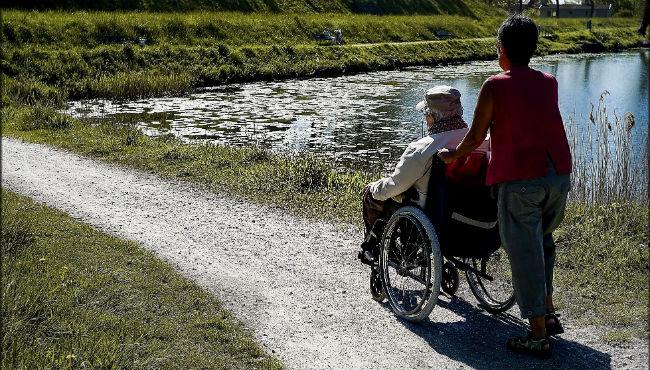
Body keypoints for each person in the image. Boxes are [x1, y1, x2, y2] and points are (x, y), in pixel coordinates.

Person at [438, 15, 571, 358]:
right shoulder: (549, 81)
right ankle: (549, 312)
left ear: (503, 51)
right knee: (542, 241)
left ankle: (538, 335)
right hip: (557, 177)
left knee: (525, 252)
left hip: (521, 181)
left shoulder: (495, 85)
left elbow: (476, 137)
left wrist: (452, 155)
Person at [359, 85, 489, 263]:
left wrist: (374, 189)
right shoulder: (482, 141)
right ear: (459, 111)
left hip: (434, 214)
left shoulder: (422, 148)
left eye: (426, 115)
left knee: (374, 195)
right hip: (476, 211)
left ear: (432, 116)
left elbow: (396, 185)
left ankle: (373, 247)